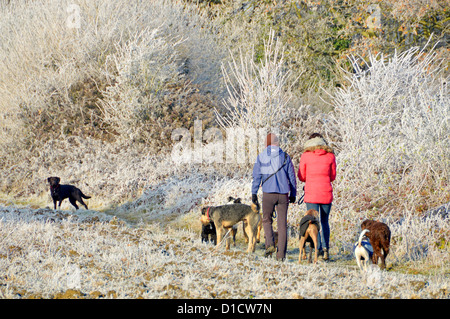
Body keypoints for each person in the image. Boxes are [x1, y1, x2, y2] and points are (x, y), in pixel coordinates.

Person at [252, 133, 297, 261]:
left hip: (268, 193)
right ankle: (281, 255)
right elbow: (292, 177)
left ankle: (270, 245)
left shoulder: (261, 157)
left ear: (267, 144)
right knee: (282, 225)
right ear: (277, 143)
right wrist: (293, 193)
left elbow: (256, 177)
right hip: (283, 194)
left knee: (266, 220)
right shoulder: (286, 157)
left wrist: (254, 193)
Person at [297, 133, 336, 260]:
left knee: (313, 222)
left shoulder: (306, 156)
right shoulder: (330, 156)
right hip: (326, 193)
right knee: (325, 221)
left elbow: (301, 176)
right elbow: (333, 176)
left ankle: (317, 249)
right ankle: (326, 250)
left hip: (312, 193)